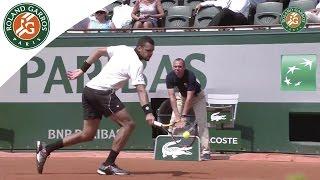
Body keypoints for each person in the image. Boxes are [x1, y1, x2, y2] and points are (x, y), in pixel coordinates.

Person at [36, 36, 156, 175]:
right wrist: (148, 112)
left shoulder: (122, 49)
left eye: (152, 51)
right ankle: (108, 164)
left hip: (89, 90)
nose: (150, 54)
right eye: (148, 50)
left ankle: (46, 149)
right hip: (102, 93)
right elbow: (141, 89)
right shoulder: (137, 64)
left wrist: (83, 69)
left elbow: (98, 51)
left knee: (87, 134)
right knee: (128, 124)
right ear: (139, 48)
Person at [165, 58, 211, 161]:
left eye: (180, 67)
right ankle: (168, 145)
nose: (177, 69)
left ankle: (206, 151)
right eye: (175, 67)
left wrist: (184, 117)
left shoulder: (190, 76)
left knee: (202, 123)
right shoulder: (170, 77)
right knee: (172, 121)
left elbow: (190, 98)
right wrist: (178, 118)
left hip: (198, 98)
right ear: (173, 67)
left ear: (184, 67)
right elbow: (172, 97)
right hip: (182, 97)